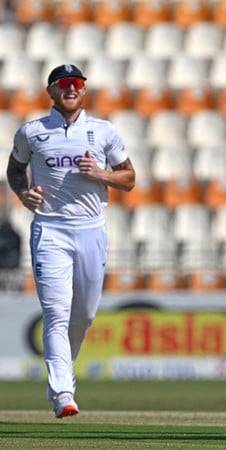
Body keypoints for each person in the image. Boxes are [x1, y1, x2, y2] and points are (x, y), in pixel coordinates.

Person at [6, 64, 135, 418]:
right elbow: (14, 170)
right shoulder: (32, 132)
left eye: (77, 83)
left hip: (91, 229)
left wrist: (102, 174)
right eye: (63, 84)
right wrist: (23, 194)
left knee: (86, 314)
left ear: (84, 90)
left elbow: (130, 178)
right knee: (56, 312)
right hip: (50, 229)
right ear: (50, 91)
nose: (71, 88)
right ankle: (63, 392)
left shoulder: (103, 131)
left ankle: (66, 365)